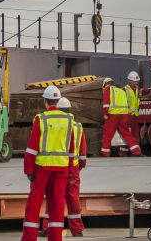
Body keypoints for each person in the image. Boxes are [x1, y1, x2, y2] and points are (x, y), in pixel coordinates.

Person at [22, 86, 72, 241]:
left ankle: (29, 239)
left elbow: (32, 147)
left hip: (42, 169)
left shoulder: (41, 119)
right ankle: (56, 238)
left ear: (45, 101)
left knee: (34, 205)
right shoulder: (69, 119)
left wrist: (28, 170)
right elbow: (71, 148)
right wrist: (70, 170)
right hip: (62, 169)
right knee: (57, 206)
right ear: (59, 101)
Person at [57, 98, 87, 237]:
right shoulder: (77, 127)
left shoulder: (54, 125)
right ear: (69, 110)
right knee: (73, 198)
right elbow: (82, 151)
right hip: (73, 168)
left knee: (54, 198)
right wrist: (80, 166)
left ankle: (47, 227)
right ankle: (77, 229)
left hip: (57, 166)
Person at [101, 79, 141, 156]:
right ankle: (136, 150)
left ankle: (105, 152)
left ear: (106, 84)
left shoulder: (108, 88)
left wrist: (105, 113)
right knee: (126, 133)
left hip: (113, 115)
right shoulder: (122, 90)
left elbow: (106, 103)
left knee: (108, 134)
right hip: (124, 115)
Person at [124, 71, 141, 150]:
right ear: (130, 81)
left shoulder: (137, 89)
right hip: (127, 115)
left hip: (135, 115)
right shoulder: (124, 90)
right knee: (127, 133)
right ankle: (124, 151)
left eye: (137, 81)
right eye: (134, 81)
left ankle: (135, 149)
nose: (136, 83)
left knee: (135, 134)